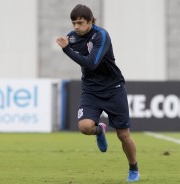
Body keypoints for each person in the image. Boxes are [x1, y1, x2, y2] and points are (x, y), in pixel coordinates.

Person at [56, 4, 140, 182]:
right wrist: (68, 48)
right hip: (91, 90)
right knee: (85, 127)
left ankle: (133, 168)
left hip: (113, 88)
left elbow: (92, 63)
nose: (76, 27)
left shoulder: (101, 35)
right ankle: (99, 131)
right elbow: (81, 59)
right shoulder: (71, 38)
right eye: (73, 23)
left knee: (123, 135)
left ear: (90, 21)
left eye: (80, 23)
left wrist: (67, 50)